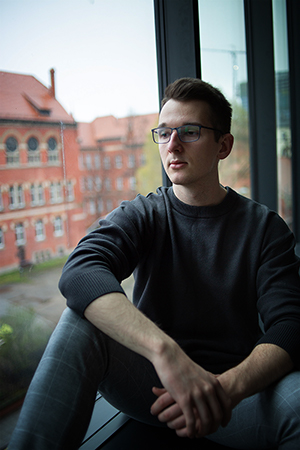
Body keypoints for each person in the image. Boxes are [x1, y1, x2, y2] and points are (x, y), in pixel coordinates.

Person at [8, 78, 300, 450]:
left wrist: (225, 390)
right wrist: (166, 353)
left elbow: (290, 325)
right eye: (163, 133)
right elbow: (81, 270)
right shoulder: (145, 213)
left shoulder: (264, 228)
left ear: (223, 145)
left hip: (229, 399)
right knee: (80, 319)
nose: (172, 145)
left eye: (189, 132)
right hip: (152, 387)